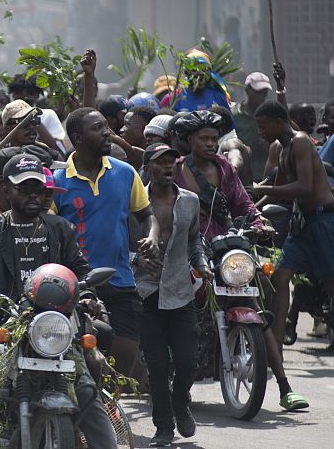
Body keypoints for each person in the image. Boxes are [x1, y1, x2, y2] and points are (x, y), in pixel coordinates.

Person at [0, 153, 118, 449]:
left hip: (54, 328)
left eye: (39, 189)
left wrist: (87, 294)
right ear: (6, 189)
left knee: (88, 390)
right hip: (0, 325)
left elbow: (81, 270)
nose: (34, 195)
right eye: (25, 188)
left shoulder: (59, 228)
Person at [252, 101, 334, 383]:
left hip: (325, 222)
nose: (261, 132)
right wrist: (251, 206)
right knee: (280, 280)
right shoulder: (279, 149)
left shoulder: (302, 143)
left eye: (264, 126)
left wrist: (262, 188)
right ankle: (275, 353)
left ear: (280, 122)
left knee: (333, 285)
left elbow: (303, 187)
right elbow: (278, 187)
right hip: (302, 226)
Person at [52, 107, 158, 380]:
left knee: (126, 351)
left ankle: (107, 406)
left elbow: (146, 215)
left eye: (105, 127)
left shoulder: (125, 172)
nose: (107, 133)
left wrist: (151, 236)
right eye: (97, 128)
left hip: (120, 279)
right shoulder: (58, 181)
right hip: (74, 284)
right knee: (82, 357)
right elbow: (49, 233)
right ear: (77, 137)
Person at [135, 143, 206, 447]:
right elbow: (119, 245)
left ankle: (181, 404)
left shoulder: (190, 201)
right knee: (157, 366)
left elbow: (195, 242)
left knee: (188, 361)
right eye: (160, 162)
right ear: (147, 167)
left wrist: (202, 265)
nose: (167, 167)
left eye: (171, 162)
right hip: (145, 293)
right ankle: (163, 426)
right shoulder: (135, 203)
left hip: (180, 291)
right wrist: (135, 259)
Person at [172, 111, 262, 239]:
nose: (210, 143)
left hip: (223, 243)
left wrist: (258, 225)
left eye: (214, 139)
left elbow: (242, 202)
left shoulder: (224, 167)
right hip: (186, 242)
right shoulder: (175, 169)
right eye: (203, 139)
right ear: (190, 139)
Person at [165, 50, 234, 128]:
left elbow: (229, 127)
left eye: (204, 71)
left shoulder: (218, 97)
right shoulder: (174, 98)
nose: (200, 76)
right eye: (194, 71)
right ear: (186, 73)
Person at [233, 72, 275, 182]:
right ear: (247, 90)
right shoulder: (235, 115)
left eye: (264, 93)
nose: (261, 97)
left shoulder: (270, 116)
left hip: (266, 177)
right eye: (258, 93)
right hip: (242, 177)